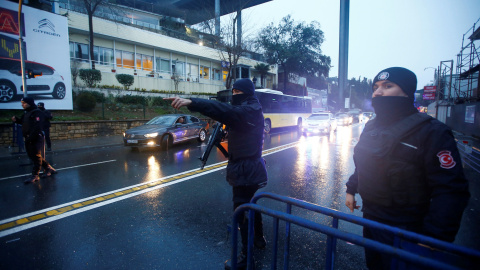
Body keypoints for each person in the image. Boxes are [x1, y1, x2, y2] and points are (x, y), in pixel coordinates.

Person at [345, 67, 470, 269]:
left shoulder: (432, 132)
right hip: (372, 221)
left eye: (388, 86)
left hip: (409, 229)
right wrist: (351, 189)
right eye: (375, 87)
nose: (378, 92)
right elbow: (366, 163)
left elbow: (451, 189)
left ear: (407, 91)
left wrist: (434, 237)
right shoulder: (372, 127)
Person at [165, 78, 268, 269]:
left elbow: (223, 110)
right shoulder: (249, 108)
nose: (234, 96)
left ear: (247, 93)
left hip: (246, 170)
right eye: (233, 92)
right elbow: (233, 122)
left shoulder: (249, 110)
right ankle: (259, 239)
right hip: (248, 168)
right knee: (251, 204)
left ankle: (247, 259)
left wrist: (192, 102)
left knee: (241, 211)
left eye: (238, 93)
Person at [12, 97, 56, 184]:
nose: (22, 105)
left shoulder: (37, 112)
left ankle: (35, 175)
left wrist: (32, 136)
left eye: (24, 103)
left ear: (29, 103)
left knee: (36, 155)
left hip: (35, 137)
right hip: (28, 137)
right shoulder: (27, 113)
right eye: (22, 103)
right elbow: (24, 123)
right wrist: (17, 120)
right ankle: (48, 168)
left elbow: (37, 126)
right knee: (33, 156)